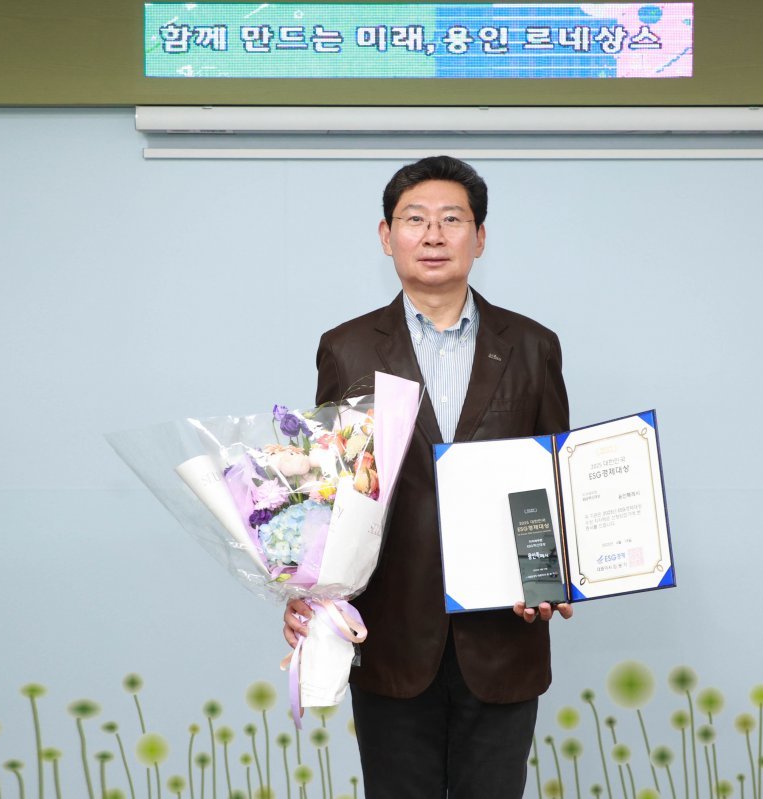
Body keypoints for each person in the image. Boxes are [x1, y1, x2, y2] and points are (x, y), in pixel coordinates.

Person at [283, 155, 572, 798]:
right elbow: (330, 489)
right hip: (389, 630)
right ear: (386, 237)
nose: (433, 235)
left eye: (452, 220)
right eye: (414, 220)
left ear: (480, 237)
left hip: (502, 633)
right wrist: (306, 590)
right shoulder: (347, 348)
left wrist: (549, 578)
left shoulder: (532, 346)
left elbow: (552, 482)